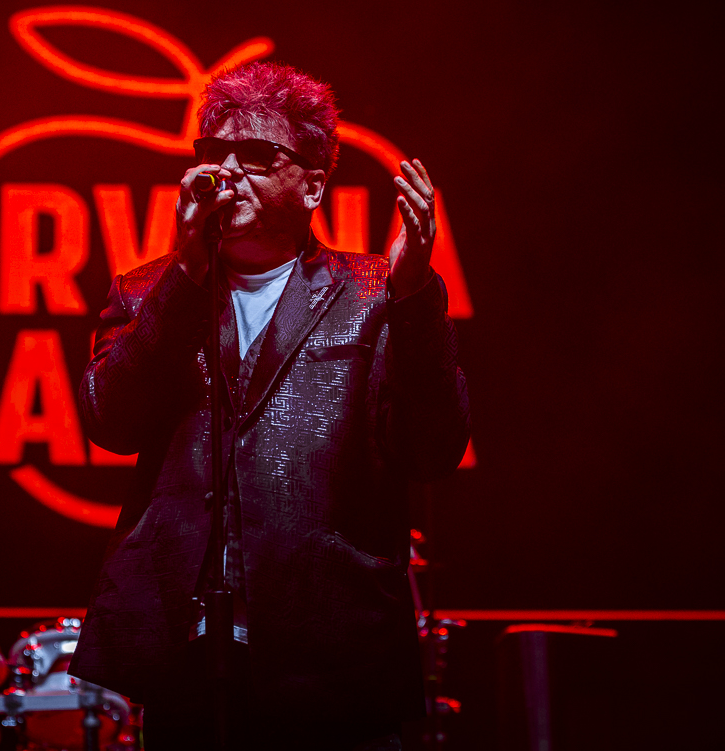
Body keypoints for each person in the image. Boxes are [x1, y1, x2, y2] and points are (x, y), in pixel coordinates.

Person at [69, 61, 470, 750]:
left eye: (255, 155)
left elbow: (433, 450)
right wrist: (187, 273)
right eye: (212, 152)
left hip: (333, 655)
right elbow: (111, 420)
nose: (226, 171)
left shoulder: (375, 296)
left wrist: (412, 296)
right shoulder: (146, 292)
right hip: (189, 655)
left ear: (312, 185)